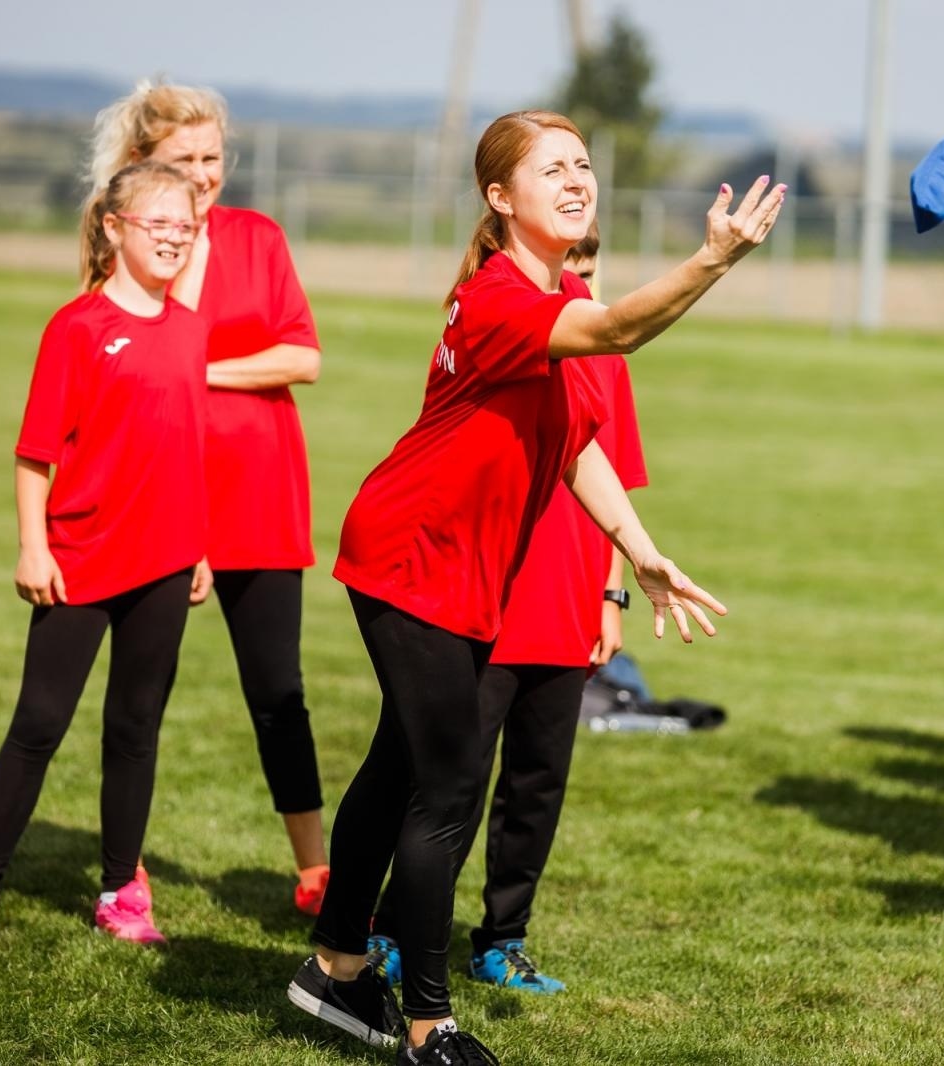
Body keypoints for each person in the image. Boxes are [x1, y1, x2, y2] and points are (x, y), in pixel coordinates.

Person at [284, 110, 784, 1066]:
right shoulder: (505, 299)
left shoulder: (542, 298)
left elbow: (575, 447)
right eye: (551, 168)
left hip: (452, 568)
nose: (576, 179)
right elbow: (624, 328)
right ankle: (429, 1024)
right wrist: (713, 260)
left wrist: (638, 552)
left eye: (584, 165)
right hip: (412, 556)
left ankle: (337, 970)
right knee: (447, 787)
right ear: (499, 197)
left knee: (399, 769)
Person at [0, 161, 211, 956]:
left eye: (184, 223)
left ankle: (122, 891)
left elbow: (186, 450)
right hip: (79, 561)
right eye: (157, 221)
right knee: (39, 725)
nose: (173, 235)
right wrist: (33, 544)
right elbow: (34, 456)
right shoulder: (77, 327)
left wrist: (199, 546)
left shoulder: (192, 330)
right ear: (113, 226)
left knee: (135, 730)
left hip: (166, 563)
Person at [367, 229, 647, 995]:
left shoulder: (601, 354)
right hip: (489, 598)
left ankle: (503, 938)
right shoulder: (505, 324)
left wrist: (610, 594)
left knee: (537, 781)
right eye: (570, 267)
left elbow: (612, 471)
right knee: (447, 780)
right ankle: (396, 930)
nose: (579, 281)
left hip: (569, 600)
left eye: (590, 267)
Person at [87, 82, 331, 915]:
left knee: (278, 690)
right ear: (141, 167)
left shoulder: (258, 237)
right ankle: (126, 867)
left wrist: (197, 370)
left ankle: (314, 869)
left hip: (262, 493)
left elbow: (302, 357)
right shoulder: (126, 252)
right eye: (182, 162)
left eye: (212, 160)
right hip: (155, 495)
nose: (202, 177)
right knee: (140, 692)